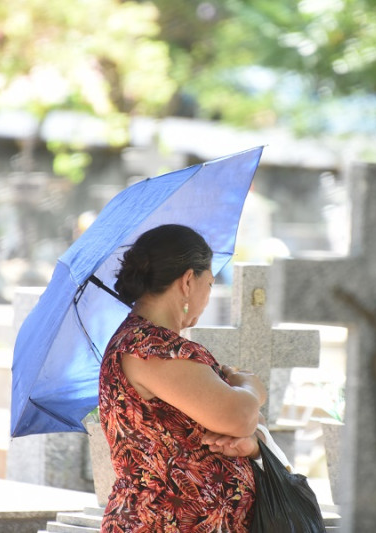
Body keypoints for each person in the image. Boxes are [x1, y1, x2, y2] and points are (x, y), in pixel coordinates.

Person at [99, 223, 268, 532]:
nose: (208, 295)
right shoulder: (148, 348)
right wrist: (251, 387)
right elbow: (241, 415)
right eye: (210, 284)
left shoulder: (155, 344)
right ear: (188, 281)